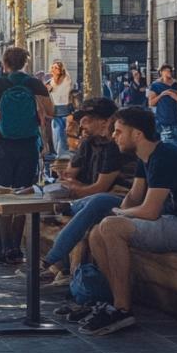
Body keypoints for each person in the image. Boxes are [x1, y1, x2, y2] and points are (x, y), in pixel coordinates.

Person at [80, 107, 177, 336]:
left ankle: (122, 310)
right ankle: (113, 302)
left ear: (137, 134)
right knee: (98, 232)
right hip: (176, 222)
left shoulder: (165, 157)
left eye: (119, 132)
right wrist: (117, 215)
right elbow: (135, 197)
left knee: (110, 227)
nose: (114, 137)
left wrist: (118, 217)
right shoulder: (146, 155)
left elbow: (150, 211)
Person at [39, 98, 135, 287]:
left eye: (87, 119)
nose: (81, 124)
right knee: (48, 212)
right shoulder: (87, 143)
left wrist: (76, 187)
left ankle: (53, 264)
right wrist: (75, 185)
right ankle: (60, 268)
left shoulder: (114, 148)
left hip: (116, 201)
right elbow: (67, 177)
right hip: (91, 200)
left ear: (105, 121)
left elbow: (98, 189)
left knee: (85, 213)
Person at [0, 46, 54, 264]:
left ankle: (4, 247)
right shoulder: (34, 83)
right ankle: (16, 250)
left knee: (1, 193)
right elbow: (52, 112)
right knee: (23, 194)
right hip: (29, 144)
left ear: (5, 64)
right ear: (25, 63)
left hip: (3, 145)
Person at [147, 64, 177, 148]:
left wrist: (171, 93)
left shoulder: (175, 84)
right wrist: (161, 95)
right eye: (166, 71)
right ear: (161, 72)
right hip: (163, 119)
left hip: (175, 119)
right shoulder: (155, 85)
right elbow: (151, 103)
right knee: (168, 144)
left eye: (170, 71)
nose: (169, 73)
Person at [47, 61, 74, 158]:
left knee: (64, 132)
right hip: (55, 109)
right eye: (53, 68)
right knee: (57, 132)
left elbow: (63, 92)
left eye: (56, 68)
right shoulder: (50, 82)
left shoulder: (66, 79)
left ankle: (63, 151)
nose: (54, 70)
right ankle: (60, 152)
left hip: (65, 109)